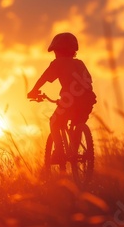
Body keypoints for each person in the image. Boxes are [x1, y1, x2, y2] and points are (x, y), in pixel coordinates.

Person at [27, 32, 97, 167]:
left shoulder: (57, 63)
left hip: (70, 101)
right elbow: (89, 80)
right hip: (87, 101)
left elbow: (44, 78)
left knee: (54, 122)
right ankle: (74, 153)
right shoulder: (80, 63)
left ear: (58, 51)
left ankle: (59, 151)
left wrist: (34, 91)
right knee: (77, 123)